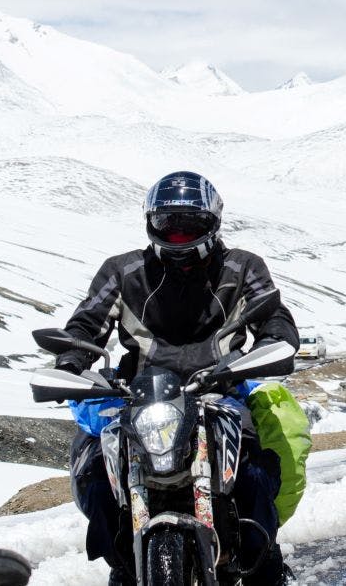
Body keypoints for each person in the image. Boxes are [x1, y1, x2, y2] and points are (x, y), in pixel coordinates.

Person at [53, 171, 300, 586]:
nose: (179, 235)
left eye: (190, 225)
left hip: (219, 392)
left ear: (213, 221)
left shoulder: (242, 267)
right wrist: (70, 361)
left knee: (255, 471)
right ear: (153, 223)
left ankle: (263, 564)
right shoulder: (122, 271)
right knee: (96, 468)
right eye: (170, 224)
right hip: (139, 398)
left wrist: (272, 345)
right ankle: (124, 562)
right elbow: (85, 325)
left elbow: (274, 316)